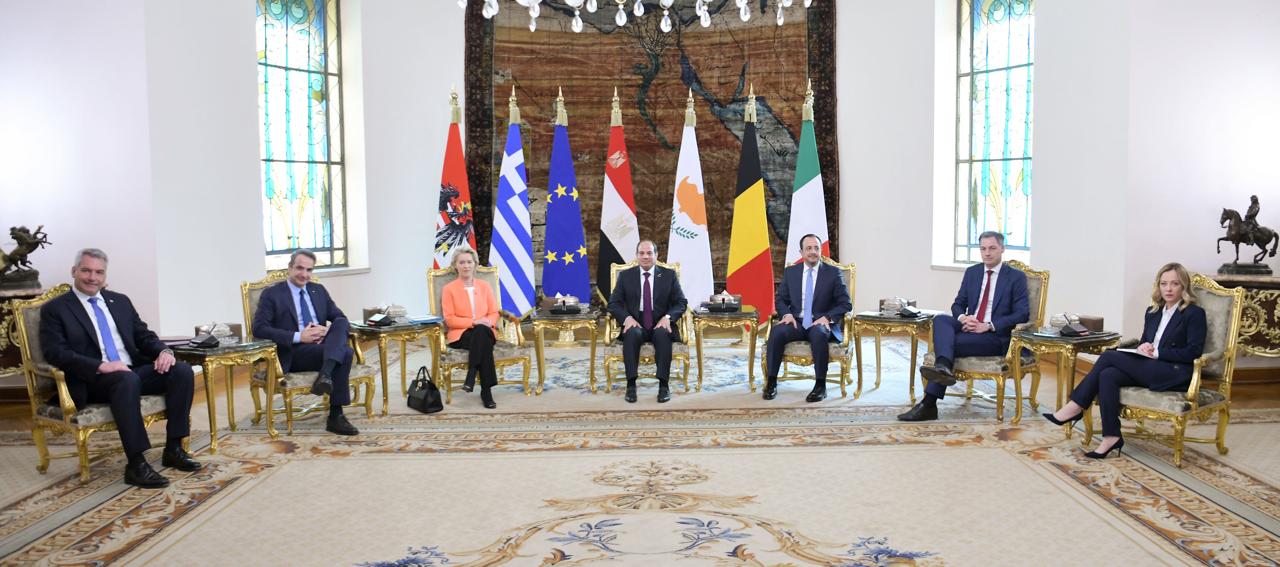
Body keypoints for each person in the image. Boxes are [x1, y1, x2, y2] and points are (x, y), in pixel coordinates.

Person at [39, 248, 201, 488]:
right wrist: (102, 366)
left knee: (182, 371)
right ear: (74, 271)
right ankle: (136, 464)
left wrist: (163, 352)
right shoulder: (56, 309)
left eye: (99, 272)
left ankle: (174, 449)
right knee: (127, 380)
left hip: (130, 371)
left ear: (105, 276)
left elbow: (144, 336)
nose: (92, 277)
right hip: (93, 379)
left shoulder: (120, 301)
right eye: (86, 271)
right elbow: (55, 352)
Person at [1044, 262, 1207, 458]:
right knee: (1108, 375)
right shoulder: (1153, 311)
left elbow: (1193, 352)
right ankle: (1111, 436)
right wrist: (1143, 347)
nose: (1169, 289)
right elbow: (1146, 340)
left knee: (1108, 356)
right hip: (1151, 366)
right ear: (1158, 286)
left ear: (1183, 286)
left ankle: (1076, 405)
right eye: (1164, 284)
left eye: (1175, 283)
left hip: (1173, 372)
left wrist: (1157, 352)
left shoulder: (1194, 313)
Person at [898, 231, 1029, 421]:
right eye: (983, 249)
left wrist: (988, 325)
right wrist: (964, 318)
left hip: (995, 336)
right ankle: (943, 368)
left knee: (948, 345)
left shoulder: (1016, 277)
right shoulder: (972, 272)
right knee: (941, 319)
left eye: (992, 248)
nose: (987, 253)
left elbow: (1022, 313)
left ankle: (929, 402)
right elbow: (958, 304)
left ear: (1002, 249)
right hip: (970, 327)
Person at [252, 249, 359, 435]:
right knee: (346, 353)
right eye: (300, 268)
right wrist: (298, 336)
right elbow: (259, 329)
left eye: (309, 270)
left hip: (322, 347)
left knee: (341, 323)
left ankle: (326, 375)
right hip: (295, 352)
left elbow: (339, 317)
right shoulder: (272, 294)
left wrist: (326, 331)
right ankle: (336, 415)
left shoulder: (318, 290)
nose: (304, 274)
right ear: (289, 268)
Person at [762, 234, 852, 402]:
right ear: (801, 252)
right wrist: (787, 314)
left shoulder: (833, 273)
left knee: (819, 334)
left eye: (816, 248)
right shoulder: (791, 272)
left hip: (820, 322)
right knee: (777, 332)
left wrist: (827, 317)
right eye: (808, 248)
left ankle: (820, 385)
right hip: (796, 321)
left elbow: (846, 303)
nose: (813, 252)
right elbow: (780, 299)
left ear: (821, 251)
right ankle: (771, 382)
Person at [607, 240, 688, 403]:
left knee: (663, 333)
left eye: (649, 253)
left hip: (660, 321)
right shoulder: (626, 276)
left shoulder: (668, 275)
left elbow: (681, 302)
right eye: (642, 253)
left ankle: (663, 385)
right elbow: (613, 303)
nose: (645, 257)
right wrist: (627, 318)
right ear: (637, 256)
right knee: (631, 333)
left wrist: (668, 318)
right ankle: (631, 385)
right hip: (636, 322)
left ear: (656, 255)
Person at [440, 246, 501, 409]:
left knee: (481, 332)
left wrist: (486, 322)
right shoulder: (449, 289)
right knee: (481, 338)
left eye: (469, 262)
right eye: (462, 262)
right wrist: (474, 322)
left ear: (475, 264)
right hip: (461, 335)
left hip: (486, 330)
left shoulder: (485, 286)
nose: (466, 266)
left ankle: (472, 373)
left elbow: (494, 312)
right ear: (455, 265)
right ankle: (486, 392)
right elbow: (450, 319)